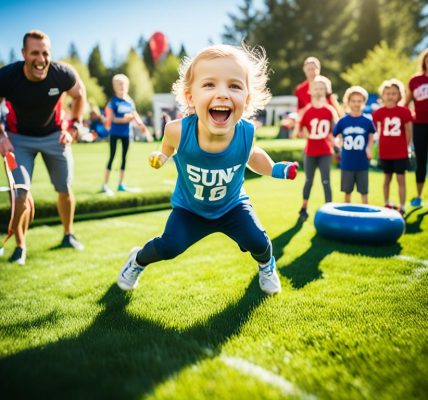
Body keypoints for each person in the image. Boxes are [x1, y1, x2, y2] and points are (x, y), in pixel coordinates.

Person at [116, 44, 299, 295]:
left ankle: (267, 266)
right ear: (191, 97)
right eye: (210, 84)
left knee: (258, 240)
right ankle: (137, 260)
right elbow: (168, 145)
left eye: (234, 86)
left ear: (246, 99)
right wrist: (162, 156)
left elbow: (253, 155)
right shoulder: (178, 130)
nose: (222, 94)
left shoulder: (246, 131)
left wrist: (276, 169)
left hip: (232, 206)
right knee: (169, 247)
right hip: (190, 209)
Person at [0, 30, 86, 265]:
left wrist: (74, 127)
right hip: (18, 139)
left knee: (64, 188)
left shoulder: (62, 73)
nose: (41, 59)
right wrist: (1, 136)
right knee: (20, 193)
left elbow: (79, 95)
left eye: (45, 53)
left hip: (55, 137)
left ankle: (68, 234)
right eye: (35, 53)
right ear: (24, 54)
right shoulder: (7, 76)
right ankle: (20, 247)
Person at [298, 75, 339, 221]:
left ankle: (330, 208)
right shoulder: (308, 110)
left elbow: (336, 129)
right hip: (310, 151)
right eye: (316, 88)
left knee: (326, 180)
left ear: (326, 91)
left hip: (325, 151)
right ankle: (304, 207)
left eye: (322, 88)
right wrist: (302, 131)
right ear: (311, 90)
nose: (319, 91)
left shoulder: (329, 110)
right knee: (308, 180)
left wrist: (335, 141)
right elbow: (300, 129)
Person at [102, 74, 148, 195]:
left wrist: (140, 124)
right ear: (114, 86)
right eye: (119, 84)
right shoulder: (113, 102)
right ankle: (105, 185)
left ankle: (120, 184)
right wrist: (124, 119)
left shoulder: (130, 101)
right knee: (112, 157)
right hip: (115, 133)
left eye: (123, 84)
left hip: (127, 134)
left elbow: (135, 114)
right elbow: (112, 119)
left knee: (124, 159)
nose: (121, 86)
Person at [372, 79, 413, 215]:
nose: (390, 96)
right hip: (385, 151)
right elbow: (373, 129)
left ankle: (402, 206)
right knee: (386, 179)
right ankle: (387, 203)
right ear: (382, 95)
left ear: (399, 95)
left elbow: (408, 130)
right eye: (387, 93)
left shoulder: (404, 111)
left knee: (401, 179)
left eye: (394, 93)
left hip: (400, 151)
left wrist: (407, 147)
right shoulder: (378, 112)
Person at [333, 86, 375, 204]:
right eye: (353, 101)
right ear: (348, 102)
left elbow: (371, 135)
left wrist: (369, 148)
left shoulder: (367, 120)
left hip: (362, 161)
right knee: (347, 191)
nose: (356, 104)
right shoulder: (343, 121)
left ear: (363, 102)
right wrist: (338, 143)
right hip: (347, 161)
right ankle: (347, 213)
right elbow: (335, 135)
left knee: (364, 191)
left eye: (359, 101)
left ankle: (365, 211)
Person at [293, 56, 341, 137]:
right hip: (310, 118)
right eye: (309, 69)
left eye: (313, 69)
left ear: (318, 69)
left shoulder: (325, 83)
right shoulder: (300, 89)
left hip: (326, 116)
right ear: (304, 70)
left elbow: (332, 101)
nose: (311, 71)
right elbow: (299, 109)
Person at [406, 49, 428, 207]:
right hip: (419, 124)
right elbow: (405, 104)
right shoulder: (415, 80)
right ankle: (419, 196)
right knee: (421, 161)